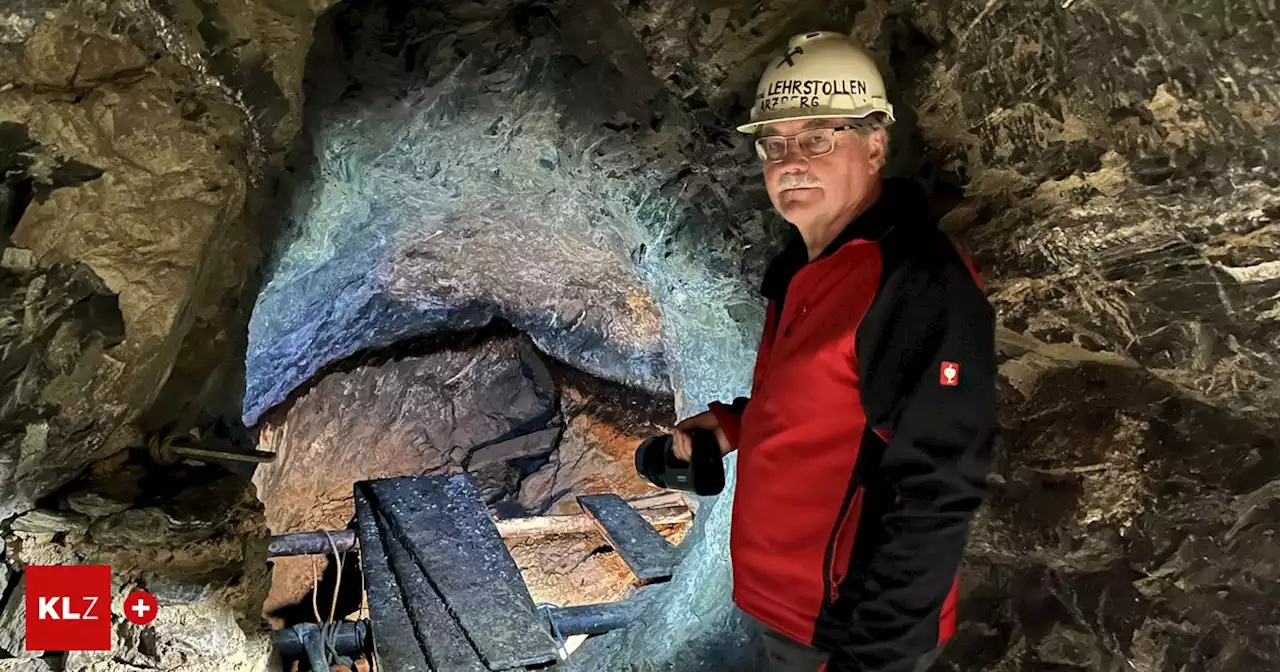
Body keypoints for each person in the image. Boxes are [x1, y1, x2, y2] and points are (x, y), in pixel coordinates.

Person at [671, 31, 999, 672]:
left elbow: (938, 486)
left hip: (844, 631)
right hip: (784, 610)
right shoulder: (800, 267)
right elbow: (833, 405)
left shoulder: (914, 280)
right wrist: (734, 426)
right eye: (776, 143)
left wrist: (872, 659)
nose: (791, 161)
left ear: (875, 144)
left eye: (818, 139)